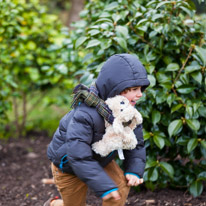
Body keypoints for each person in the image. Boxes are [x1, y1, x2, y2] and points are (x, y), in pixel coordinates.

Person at [44, 53, 150, 206]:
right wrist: (104, 186)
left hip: (100, 158)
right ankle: (54, 204)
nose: (139, 94)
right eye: (134, 89)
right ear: (115, 89)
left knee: (119, 188)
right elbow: (78, 155)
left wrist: (134, 169)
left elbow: (136, 144)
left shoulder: (127, 114)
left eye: (141, 88)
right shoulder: (85, 115)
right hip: (69, 165)